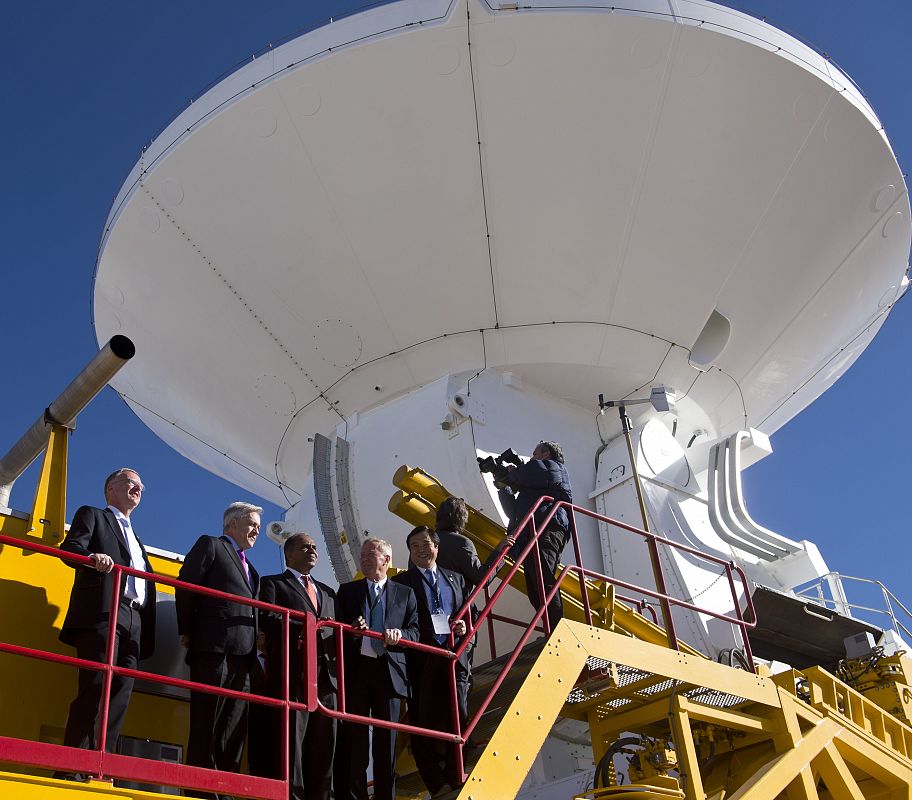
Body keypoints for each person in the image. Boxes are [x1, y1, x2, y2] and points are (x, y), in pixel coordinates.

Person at [56, 468, 156, 778]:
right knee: (96, 686)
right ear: (111, 488)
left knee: (122, 692)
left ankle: (101, 764)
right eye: (130, 481)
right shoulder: (94, 515)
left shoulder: (137, 538)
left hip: (134, 618)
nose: (138, 487)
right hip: (103, 612)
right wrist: (92, 557)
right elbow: (69, 550)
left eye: (141, 484)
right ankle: (73, 766)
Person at [176, 501, 262, 799]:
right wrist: (186, 629)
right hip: (213, 649)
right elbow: (186, 584)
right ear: (231, 525)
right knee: (206, 723)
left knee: (234, 729)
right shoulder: (211, 545)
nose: (256, 530)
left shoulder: (252, 568)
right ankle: (198, 791)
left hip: (244, 657)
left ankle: (224, 791)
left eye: (258, 527)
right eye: (251, 524)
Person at [335, 539, 419, 800]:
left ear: (386, 559)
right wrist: (351, 628)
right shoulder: (347, 591)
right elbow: (335, 628)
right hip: (357, 675)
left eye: (370, 554)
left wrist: (400, 635)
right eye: (363, 555)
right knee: (355, 743)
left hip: (389, 675)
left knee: (387, 746)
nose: (364, 559)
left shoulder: (405, 594)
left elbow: (415, 632)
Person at [256, 533, 337, 800]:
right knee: (294, 739)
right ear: (289, 554)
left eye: (314, 547)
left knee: (325, 741)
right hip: (293, 674)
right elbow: (268, 618)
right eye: (305, 546)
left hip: (326, 677)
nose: (312, 550)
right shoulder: (273, 584)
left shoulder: (328, 593)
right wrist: (307, 626)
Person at [393, 526, 468, 798]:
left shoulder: (455, 579)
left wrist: (462, 629)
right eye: (414, 546)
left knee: (456, 713)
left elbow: (467, 613)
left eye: (426, 544)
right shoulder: (402, 582)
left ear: (437, 546)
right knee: (423, 719)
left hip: (451, 656)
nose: (421, 549)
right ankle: (435, 782)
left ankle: (455, 771)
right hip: (420, 658)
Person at [498, 441, 573, 630]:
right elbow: (513, 513)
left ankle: (558, 630)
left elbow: (533, 471)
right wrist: (503, 487)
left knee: (544, 578)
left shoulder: (554, 468)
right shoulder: (535, 481)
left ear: (546, 454)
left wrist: (511, 474)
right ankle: (551, 628)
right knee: (534, 588)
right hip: (532, 531)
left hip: (548, 527)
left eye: (535, 454)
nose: (531, 458)